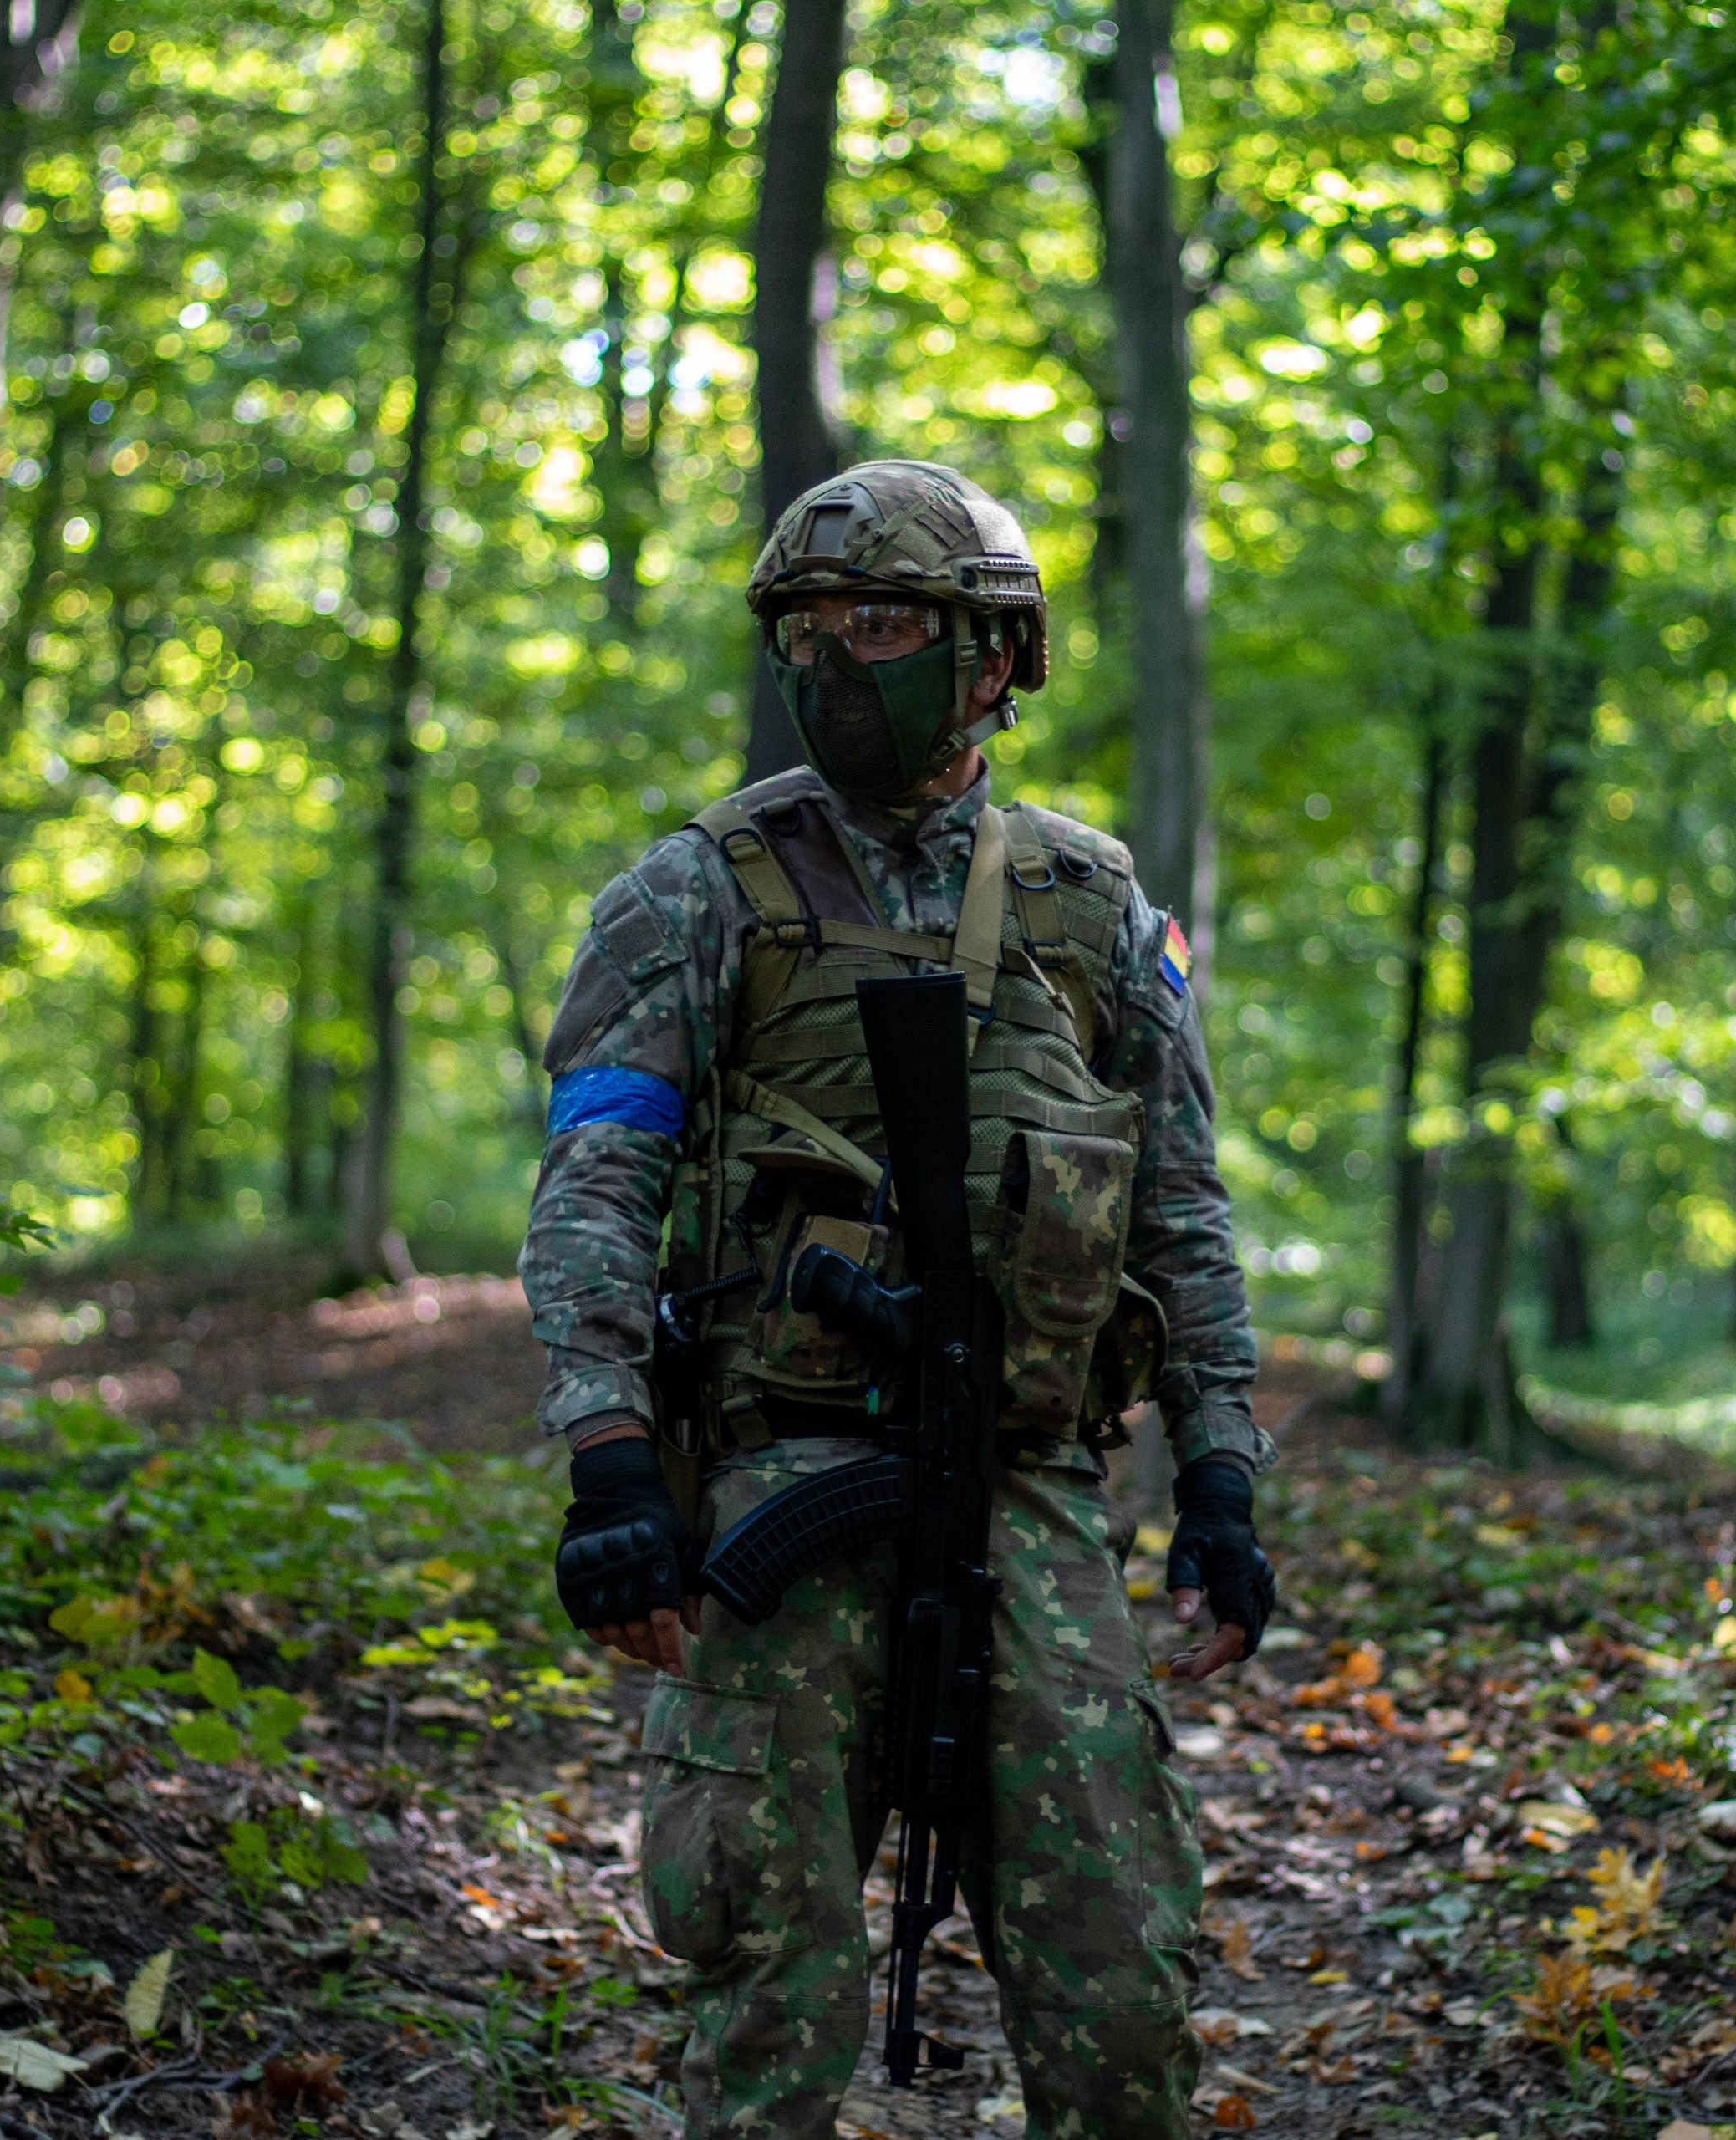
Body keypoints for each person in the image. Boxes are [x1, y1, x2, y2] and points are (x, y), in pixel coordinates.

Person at [522, 459, 1275, 2140]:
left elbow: (1180, 1209)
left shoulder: (1095, 909)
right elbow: (596, 1179)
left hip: (1025, 1485)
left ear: (992, 655)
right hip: (779, 1480)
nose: (832, 657)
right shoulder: (693, 890)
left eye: (879, 623)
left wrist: (1219, 1472)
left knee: (1120, 1969)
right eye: (804, 625)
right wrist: (609, 1459)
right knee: (762, 1967)